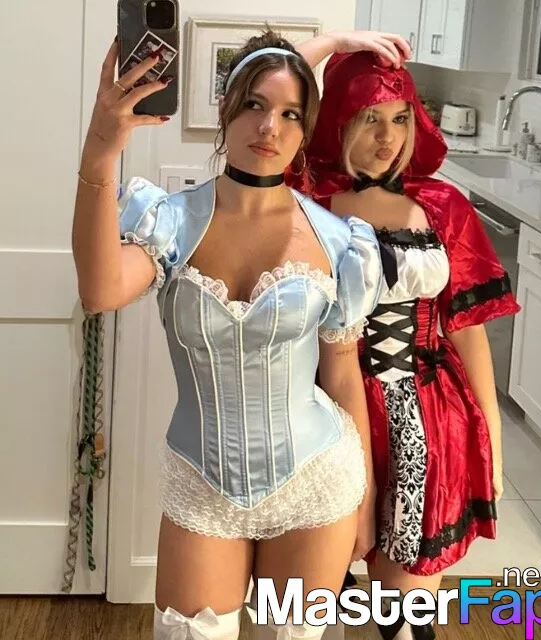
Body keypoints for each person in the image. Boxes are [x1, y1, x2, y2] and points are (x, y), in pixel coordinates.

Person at [72, 29, 410, 640]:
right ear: (226, 111)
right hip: (202, 484)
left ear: (306, 132)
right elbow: (99, 290)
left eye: (290, 114)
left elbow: (341, 375)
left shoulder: (338, 241)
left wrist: (366, 497)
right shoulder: (170, 221)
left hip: (317, 479)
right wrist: (100, 152)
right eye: (254, 104)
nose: (269, 127)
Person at [302, 52, 521, 640]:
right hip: (325, 415)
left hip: (426, 418)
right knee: (325, 588)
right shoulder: (305, 202)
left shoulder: (443, 207)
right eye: (369, 118)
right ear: (339, 121)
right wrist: (337, 43)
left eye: (400, 118)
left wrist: (493, 442)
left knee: (404, 613)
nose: (387, 137)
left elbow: (468, 332)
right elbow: (260, 115)